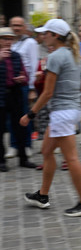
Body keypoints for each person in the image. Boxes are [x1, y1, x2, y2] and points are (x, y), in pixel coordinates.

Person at [22, 19, 81, 216]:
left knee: (71, 158)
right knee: (47, 151)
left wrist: (30, 114)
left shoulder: (56, 56)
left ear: (55, 36)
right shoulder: (73, 54)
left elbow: (47, 93)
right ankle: (42, 195)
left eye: (45, 33)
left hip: (62, 113)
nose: (42, 36)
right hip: (68, 111)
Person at [0, 27, 36, 172]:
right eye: (5, 39)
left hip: (14, 93)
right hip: (1, 95)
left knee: (20, 126)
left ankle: (23, 158)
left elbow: (25, 75)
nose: (8, 42)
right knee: (0, 130)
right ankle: (1, 161)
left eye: (10, 39)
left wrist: (22, 79)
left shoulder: (16, 55)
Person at [5, 16, 39, 158]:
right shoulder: (8, 43)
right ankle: (13, 145)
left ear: (24, 26)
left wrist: (31, 88)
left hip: (24, 86)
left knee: (25, 116)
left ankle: (26, 145)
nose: (16, 27)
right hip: (9, 86)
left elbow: (33, 64)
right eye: (14, 25)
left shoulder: (30, 42)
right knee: (10, 117)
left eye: (19, 25)